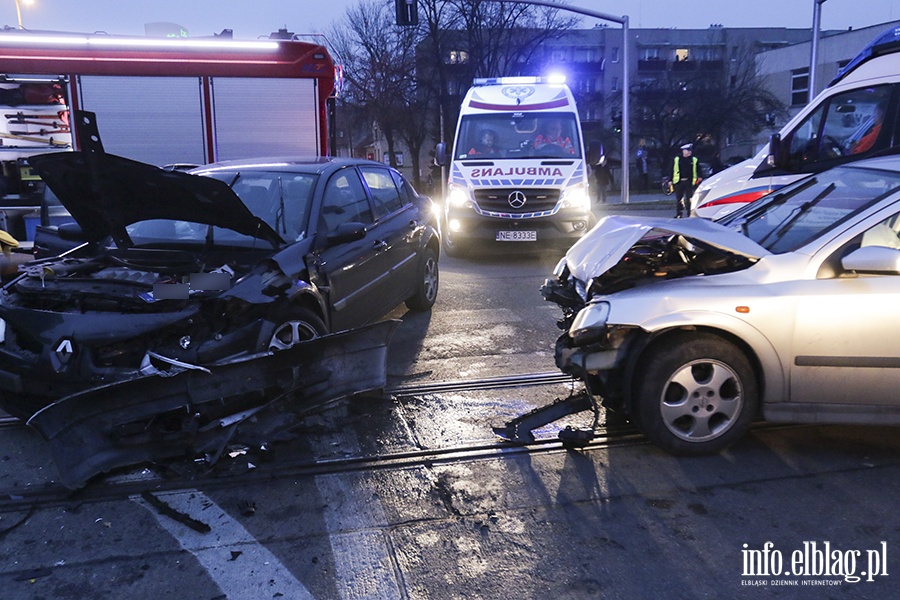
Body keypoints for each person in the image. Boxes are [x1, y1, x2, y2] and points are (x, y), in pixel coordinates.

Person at [672, 143, 700, 218]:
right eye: (688, 150)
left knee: (690, 199)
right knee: (679, 199)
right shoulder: (677, 159)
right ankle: (679, 214)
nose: (689, 152)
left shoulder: (694, 160)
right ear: (683, 151)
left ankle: (689, 214)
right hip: (679, 181)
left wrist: (700, 177)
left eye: (690, 150)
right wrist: (669, 180)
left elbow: (698, 170)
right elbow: (672, 170)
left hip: (689, 182)